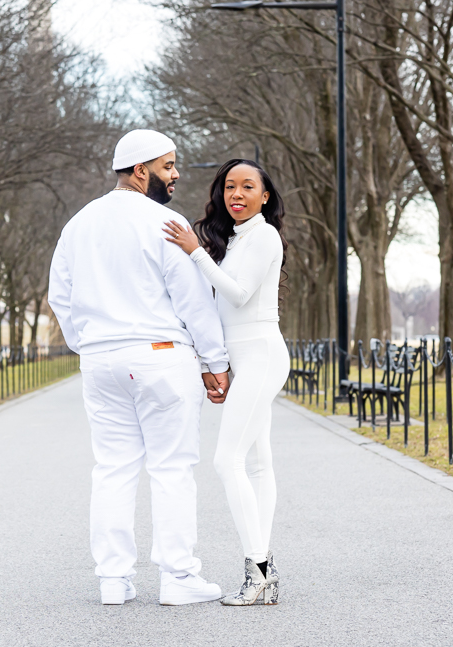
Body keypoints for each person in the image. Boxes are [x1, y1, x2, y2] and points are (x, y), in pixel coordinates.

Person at [48, 129, 232, 606]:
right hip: (159, 356)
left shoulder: (78, 224)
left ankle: (113, 580)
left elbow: (60, 297)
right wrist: (215, 362)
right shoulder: (164, 223)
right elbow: (193, 301)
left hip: (101, 360)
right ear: (139, 169)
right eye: (168, 166)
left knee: (112, 468)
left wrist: (87, 344)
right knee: (172, 468)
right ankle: (178, 578)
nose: (174, 176)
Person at [162, 159, 289, 606]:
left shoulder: (264, 236)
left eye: (247, 187)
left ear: (265, 195)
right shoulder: (234, 240)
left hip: (262, 356)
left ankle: (258, 571)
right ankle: (264, 571)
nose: (236, 194)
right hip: (243, 360)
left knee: (226, 460)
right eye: (229, 187)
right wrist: (216, 364)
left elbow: (238, 294)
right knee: (257, 463)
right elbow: (219, 309)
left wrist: (194, 251)